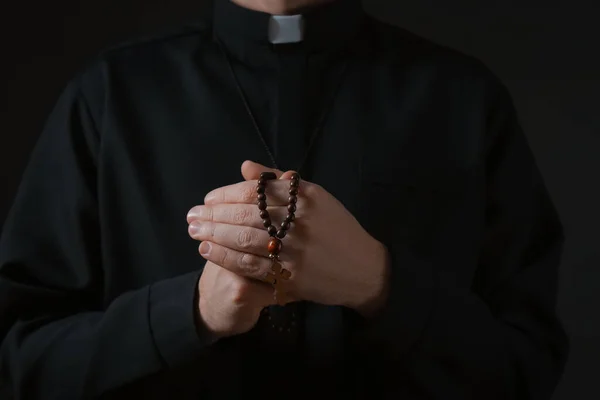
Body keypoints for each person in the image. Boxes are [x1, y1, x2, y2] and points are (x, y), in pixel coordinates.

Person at [0, 0, 568, 398]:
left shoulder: (461, 98)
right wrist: (191, 313)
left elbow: (526, 367)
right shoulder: (110, 93)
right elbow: (22, 361)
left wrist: (377, 282)